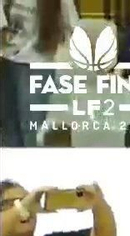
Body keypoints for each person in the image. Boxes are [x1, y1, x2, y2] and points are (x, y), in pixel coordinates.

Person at [0, 0, 78, 147]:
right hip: (7, 62)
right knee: (9, 127)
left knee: (31, 128)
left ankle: (33, 167)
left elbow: (72, 26)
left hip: (39, 63)